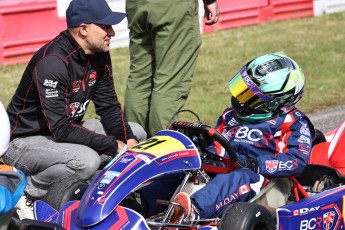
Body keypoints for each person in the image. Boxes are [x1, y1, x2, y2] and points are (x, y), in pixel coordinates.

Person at [3, 0, 146, 220]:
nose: (112, 32)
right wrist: (112, 145)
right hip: (23, 142)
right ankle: (22, 190)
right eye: (105, 26)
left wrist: (126, 139)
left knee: (136, 133)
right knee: (86, 161)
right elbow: (61, 129)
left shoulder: (98, 54)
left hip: (62, 134)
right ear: (84, 29)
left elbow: (108, 106)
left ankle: (92, 191)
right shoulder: (52, 62)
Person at [170, 52, 316, 221]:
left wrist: (254, 164)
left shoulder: (294, 122)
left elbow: (296, 161)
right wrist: (204, 150)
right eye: (244, 91)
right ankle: (139, 201)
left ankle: (194, 210)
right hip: (227, 169)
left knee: (239, 177)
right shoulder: (231, 116)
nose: (242, 101)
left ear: (277, 103)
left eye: (252, 98)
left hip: (266, 181)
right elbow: (219, 146)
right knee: (183, 169)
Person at [124, 0, 220, 137]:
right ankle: (162, 150)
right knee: (169, 82)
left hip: (136, 4)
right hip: (172, 6)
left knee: (139, 78)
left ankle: (132, 144)